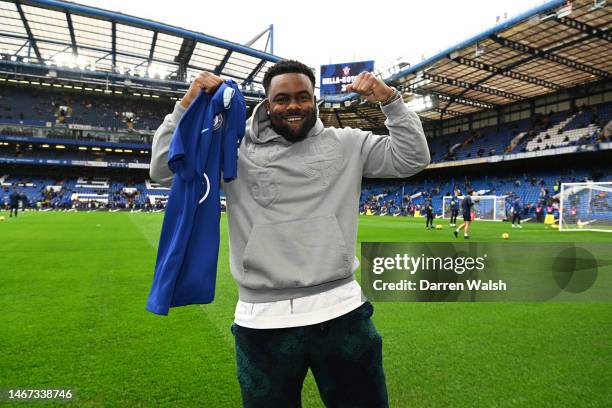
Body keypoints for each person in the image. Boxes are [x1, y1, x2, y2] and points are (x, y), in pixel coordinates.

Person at [149, 60, 430, 407]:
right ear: (267, 104)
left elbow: (412, 158)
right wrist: (186, 105)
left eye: (302, 97)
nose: (293, 106)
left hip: (342, 314)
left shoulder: (347, 144)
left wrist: (390, 100)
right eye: (282, 99)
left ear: (315, 100)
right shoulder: (232, 150)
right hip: (262, 323)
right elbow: (163, 169)